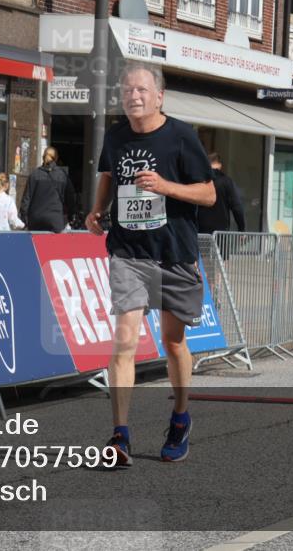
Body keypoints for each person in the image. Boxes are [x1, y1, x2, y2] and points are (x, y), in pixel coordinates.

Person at [85, 62, 215, 466]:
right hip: (129, 252)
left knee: (174, 341)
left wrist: (165, 186)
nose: (133, 96)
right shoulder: (117, 134)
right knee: (124, 341)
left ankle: (180, 418)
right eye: (127, 90)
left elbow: (209, 194)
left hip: (174, 252)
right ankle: (119, 436)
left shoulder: (181, 136)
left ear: (159, 96)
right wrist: (96, 209)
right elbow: (108, 172)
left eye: (141, 90)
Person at [19, 146, 77, 232]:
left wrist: (25, 219)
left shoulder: (34, 175)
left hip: (35, 220)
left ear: (43, 157)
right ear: (56, 158)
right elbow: (71, 198)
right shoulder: (62, 175)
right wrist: (71, 216)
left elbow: (26, 200)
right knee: (54, 245)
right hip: (55, 220)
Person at [197, 152, 246, 234]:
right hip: (220, 234)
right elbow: (237, 207)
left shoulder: (197, 180)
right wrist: (242, 229)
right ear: (220, 165)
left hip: (199, 231)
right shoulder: (226, 181)